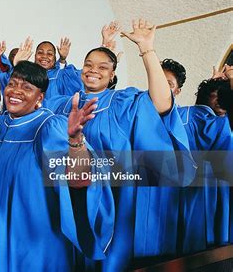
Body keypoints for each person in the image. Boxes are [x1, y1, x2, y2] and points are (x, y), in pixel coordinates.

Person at [44, 19, 196, 271]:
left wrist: (147, 50)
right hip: (69, 193)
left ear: (112, 74)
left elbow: (160, 104)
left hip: (113, 196)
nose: (94, 70)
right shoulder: (61, 103)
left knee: (108, 259)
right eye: (88, 65)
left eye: (103, 67)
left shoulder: (121, 102)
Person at [0, 60, 115, 271]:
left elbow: (79, 179)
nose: (16, 91)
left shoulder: (48, 127)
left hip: (29, 239)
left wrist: (75, 141)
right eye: (12, 84)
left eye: (27, 87)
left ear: (40, 98)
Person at [161, 59, 232, 255]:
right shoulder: (221, 124)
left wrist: (213, 86)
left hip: (176, 190)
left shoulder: (178, 115)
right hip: (215, 192)